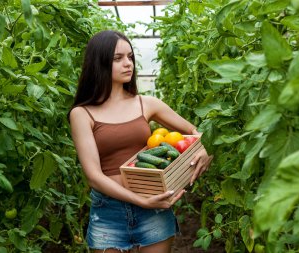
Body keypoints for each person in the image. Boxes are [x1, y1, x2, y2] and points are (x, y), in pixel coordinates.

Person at [69, 30, 212, 253]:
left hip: (153, 206)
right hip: (109, 211)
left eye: (130, 57)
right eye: (118, 58)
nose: (128, 64)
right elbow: (94, 176)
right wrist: (140, 201)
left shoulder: (146, 103)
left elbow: (196, 131)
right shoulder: (82, 114)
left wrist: (203, 148)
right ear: (99, 62)